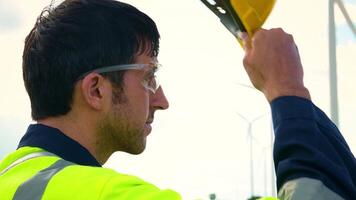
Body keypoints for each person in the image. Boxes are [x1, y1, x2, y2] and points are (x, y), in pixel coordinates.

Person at [0, 0, 354, 199]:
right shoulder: (107, 194)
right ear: (96, 90)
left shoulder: (13, 180)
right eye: (149, 77)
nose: (162, 100)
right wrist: (287, 90)